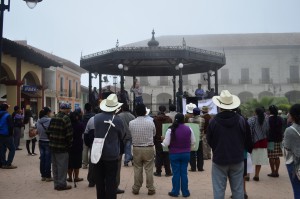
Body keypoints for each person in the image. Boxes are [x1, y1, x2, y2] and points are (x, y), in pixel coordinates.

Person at [207, 90, 250, 199]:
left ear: (219, 105)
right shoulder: (241, 120)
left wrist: (217, 149)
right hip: (237, 159)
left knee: (218, 190)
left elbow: (210, 140)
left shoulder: (213, 121)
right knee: (238, 190)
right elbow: (247, 139)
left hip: (219, 159)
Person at [92, 94, 125, 199]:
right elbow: (122, 135)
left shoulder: (96, 118)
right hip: (112, 154)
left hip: (98, 153)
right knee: (111, 180)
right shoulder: (118, 120)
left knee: (99, 181)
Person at [162, 113, 196, 197]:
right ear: (183, 120)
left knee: (176, 173)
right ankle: (185, 192)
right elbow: (193, 141)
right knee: (184, 173)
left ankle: (175, 191)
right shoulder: (189, 129)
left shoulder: (171, 130)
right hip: (186, 154)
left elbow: (166, 143)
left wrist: (162, 141)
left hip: (174, 154)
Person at [129, 103, 156, 195]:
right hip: (148, 148)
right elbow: (154, 133)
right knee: (149, 169)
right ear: (145, 112)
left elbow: (130, 134)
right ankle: (151, 188)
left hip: (136, 148)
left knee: (137, 168)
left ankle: (136, 188)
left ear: (135, 112)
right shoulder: (150, 122)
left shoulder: (131, 123)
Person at [46, 102, 73, 191]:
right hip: (62, 146)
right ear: (66, 109)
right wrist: (69, 144)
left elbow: (48, 131)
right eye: (69, 108)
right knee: (62, 166)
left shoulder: (53, 117)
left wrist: (52, 140)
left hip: (53, 146)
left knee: (55, 166)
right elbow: (69, 134)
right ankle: (62, 185)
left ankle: (56, 184)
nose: (69, 110)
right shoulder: (66, 118)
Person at [282, 104, 300, 198]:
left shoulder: (289, 130)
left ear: (293, 115)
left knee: (297, 189)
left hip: (294, 163)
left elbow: (287, 147)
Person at [248, 107, 269, 182]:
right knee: (259, 159)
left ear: (255, 112)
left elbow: (248, 130)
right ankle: (257, 175)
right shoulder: (266, 120)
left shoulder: (251, 119)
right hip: (262, 141)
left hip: (253, 142)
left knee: (249, 159)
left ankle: (247, 175)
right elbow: (267, 130)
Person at [153, 105, 173, 177]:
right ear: (165, 110)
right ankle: (168, 171)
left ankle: (158, 171)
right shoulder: (169, 119)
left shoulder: (155, 119)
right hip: (166, 138)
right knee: (166, 155)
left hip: (158, 139)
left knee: (158, 156)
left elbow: (154, 130)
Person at [67, 111, 84, 184]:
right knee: (77, 162)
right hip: (78, 145)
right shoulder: (80, 125)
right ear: (77, 117)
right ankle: (76, 177)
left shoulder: (68, 125)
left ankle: (70, 177)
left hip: (69, 145)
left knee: (69, 162)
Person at [267, 105, 284, 178]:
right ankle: (277, 171)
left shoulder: (268, 119)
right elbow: (283, 127)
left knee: (271, 156)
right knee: (277, 156)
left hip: (271, 139)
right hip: (279, 139)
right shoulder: (280, 118)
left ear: (270, 111)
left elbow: (267, 129)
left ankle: (273, 172)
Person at [37, 107, 52, 182]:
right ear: (48, 112)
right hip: (48, 141)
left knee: (42, 159)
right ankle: (48, 176)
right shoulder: (50, 120)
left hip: (40, 141)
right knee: (48, 159)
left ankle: (43, 175)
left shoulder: (38, 121)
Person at [0, 102, 17, 169]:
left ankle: (2, 163)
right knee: (12, 148)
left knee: (2, 149)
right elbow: (11, 126)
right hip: (7, 134)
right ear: (6, 108)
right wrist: (11, 135)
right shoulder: (8, 116)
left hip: (0, 134)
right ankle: (8, 164)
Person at [188, 107, 204, 172]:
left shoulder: (190, 120)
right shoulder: (202, 119)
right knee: (200, 153)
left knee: (192, 153)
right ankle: (200, 168)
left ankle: (193, 168)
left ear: (193, 113)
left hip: (192, 138)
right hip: (200, 138)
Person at [82, 103, 95, 169]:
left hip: (84, 133)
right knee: (92, 149)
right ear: (91, 108)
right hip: (92, 133)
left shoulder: (83, 116)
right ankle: (91, 163)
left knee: (85, 149)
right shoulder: (94, 116)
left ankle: (84, 164)